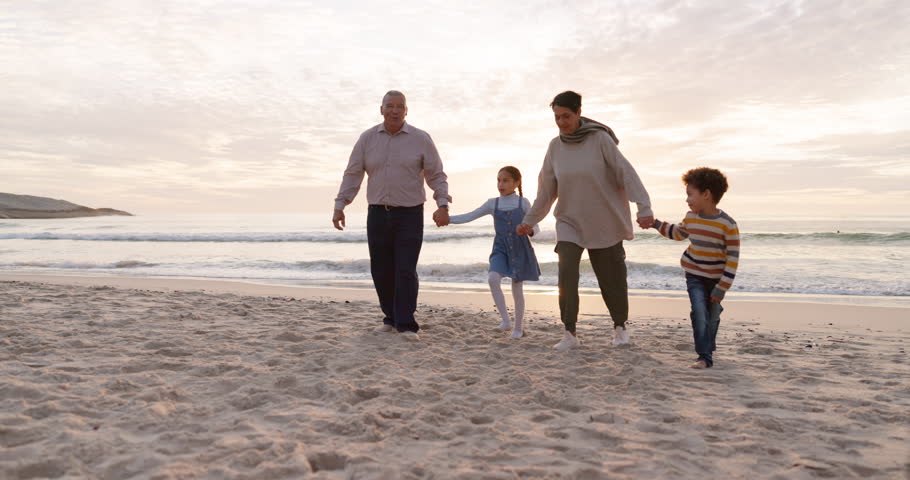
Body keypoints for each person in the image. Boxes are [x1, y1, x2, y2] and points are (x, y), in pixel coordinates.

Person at [517, 91, 653, 350]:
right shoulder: (554, 147)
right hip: (569, 221)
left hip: (604, 219)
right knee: (566, 272)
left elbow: (626, 172)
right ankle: (569, 333)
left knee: (610, 277)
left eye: (566, 116)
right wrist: (529, 221)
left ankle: (620, 328)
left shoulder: (600, 139)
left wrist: (643, 207)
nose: (561, 122)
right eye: (556, 117)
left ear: (579, 112)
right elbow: (546, 191)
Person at [332, 90, 451, 341]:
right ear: (381, 109)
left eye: (400, 106)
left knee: (405, 269)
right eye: (390, 106)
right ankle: (390, 318)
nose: (394, 110)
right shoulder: (367, 139)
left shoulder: (421, 139)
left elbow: (436, 174)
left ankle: (406, 324)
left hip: (409, 214)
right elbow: (353, 173)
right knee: (381, 269)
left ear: (406, 111)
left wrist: (442, 204)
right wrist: (341, 204)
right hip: (377, 213)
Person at [650, 167, 740, 369]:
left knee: (712, 315)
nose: (687, 199)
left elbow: (733, 259)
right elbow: (677, 233)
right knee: (699, 311)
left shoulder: (728, 225)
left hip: (717, 279)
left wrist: (722, 287)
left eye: (690, 194)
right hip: (694, 275)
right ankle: (704, 357)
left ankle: (707, 345)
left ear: (706, 194)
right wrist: (655, 224)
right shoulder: (691, 218)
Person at [447, 166, 541, 339]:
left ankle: (518, 328)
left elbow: (536, 227)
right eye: (498, 180)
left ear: (516, 182)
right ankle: (506, 321)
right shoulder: (493, 203)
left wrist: (529, 230)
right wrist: (448, 219)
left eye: (505, 180)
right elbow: (470, 216)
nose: (501, 184)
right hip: (500, 248)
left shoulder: (523, 203)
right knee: (492, 279)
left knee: (517, 288)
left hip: (520, 248)